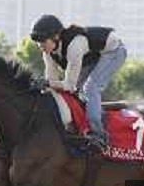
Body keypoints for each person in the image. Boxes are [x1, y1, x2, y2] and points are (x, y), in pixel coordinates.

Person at [30, 14, 127, 150]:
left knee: (90, 88)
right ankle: (79, 126)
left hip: (114, 52)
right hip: (94, 56)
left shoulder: (74, 46)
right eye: (38, 42)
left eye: (42, 41)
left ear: (56, 37)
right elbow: (52, 82)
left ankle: (98, 136)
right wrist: (42, 87)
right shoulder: (48, 52)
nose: (40, 46)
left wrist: (48, 83)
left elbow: (69, 85)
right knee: (75, 92)